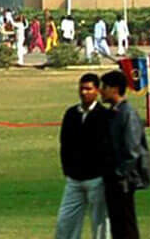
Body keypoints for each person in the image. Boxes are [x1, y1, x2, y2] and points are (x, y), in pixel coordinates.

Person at [56, 72, 112, 239]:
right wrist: (67, 168)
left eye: (88, 89)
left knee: (101, 224)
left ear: (97, 91)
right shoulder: (72, 114)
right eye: (81, 89)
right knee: (65, 222)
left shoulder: (105, 116)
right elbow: (64, 143)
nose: (84, 92)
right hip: (74, 179)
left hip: (97, 178)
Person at [99, 70, 150, 239]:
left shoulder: (127, 114)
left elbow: (132, 149)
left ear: (115, 89)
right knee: (117, 224)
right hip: (114, 178)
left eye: (104, 87)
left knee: (126, 224)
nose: (101, 91)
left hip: (123, 180)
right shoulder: (114, 113)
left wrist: (119, 174)